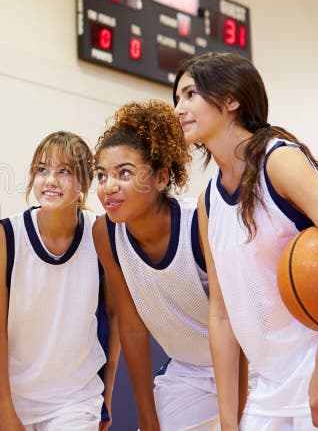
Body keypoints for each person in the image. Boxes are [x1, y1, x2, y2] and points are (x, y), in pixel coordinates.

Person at [173, 52, 318, 430]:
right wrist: (229, 419)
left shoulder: (278, 162)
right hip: (271, 384)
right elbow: (221, 313)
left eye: (190, 95)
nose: (179, 109)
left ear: (231, 99)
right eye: (177, 99)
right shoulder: (209, 202)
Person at [92, 100, 229, 430]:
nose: (109, 186)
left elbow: (234, 323)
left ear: (160, 177)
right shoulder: (105, 232)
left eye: (124, 173)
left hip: (247, 367)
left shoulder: (200, 225)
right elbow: (132, 327)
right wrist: (148, 418)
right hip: (188, 372)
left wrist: (231, 417)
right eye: (101, 175)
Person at [0, 131, 119, 431]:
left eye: (63, 171)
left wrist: (107, 394)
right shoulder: (5, 235)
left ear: (82, 182)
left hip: (76, 399)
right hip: (14, 396)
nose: (50, 180)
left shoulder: (101, 234)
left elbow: (115, 318)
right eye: (42, 170)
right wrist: (4, 408)